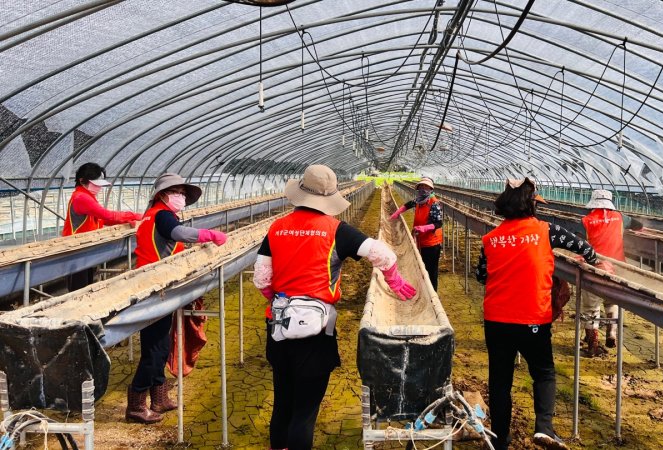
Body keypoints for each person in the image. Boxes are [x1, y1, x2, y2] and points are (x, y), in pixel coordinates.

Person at [252, 164, 416, 450]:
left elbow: (261, 278)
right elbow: (382, 254)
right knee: (304, 411)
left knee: (283, 401)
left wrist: (276, 297)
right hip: (314, 330)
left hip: (278, 324)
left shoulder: (276, 228)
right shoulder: (337, 230)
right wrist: (394, 279)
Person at [475, 177, 598, 450]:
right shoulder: (547, 231)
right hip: (533, 316)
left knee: (500, 380)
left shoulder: (490, 238)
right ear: (531, 203)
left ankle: (500, 440)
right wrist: (590, 260)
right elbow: (585, 249)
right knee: (543, 372)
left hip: (497, 319)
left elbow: (481, 275)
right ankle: (544, 428)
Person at [127, 173, 228, 424]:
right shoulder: (162, 215)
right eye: (177, 193)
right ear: (162, 195)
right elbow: (177, 233)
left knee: (160, 345)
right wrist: (208, 235)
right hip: (154, 288)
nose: (181, 197)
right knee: (155, 348)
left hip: (160, 284)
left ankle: (159, 398)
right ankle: (136, 406)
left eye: (183, 193)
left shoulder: (159, 214)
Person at [579, 189, 642, 356]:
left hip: (594, 268)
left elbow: (580, 243)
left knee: (591, 307)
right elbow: (639, 226)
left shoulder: (586, 220)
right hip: (616, 268)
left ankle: (592, 345)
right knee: (611, 300)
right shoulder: (621, 218)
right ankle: (611, 333)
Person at [62, 162, 142, 291]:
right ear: (82, 181)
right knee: (79, 287)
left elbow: (102, 219)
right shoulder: (81, 198)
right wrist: (135, 216)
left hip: (86, 247)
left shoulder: (88, 196)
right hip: (77, 249)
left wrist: (126, 221)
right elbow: (107, 215)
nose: (99, 188)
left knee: (86, 282)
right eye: (95, 185)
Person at [389, 177, 443, 290]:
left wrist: (424, 228)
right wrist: (398, 212)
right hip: (421, 240)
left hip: (432, 243)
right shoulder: (419, 200)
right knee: (421, 266)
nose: (423, 189)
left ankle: (433, 293)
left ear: (431, 188)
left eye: (426, 187)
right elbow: (409, 204)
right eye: (421, 187)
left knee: (431, 270)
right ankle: (423, 288)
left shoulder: (434, 203)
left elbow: (438, 223)